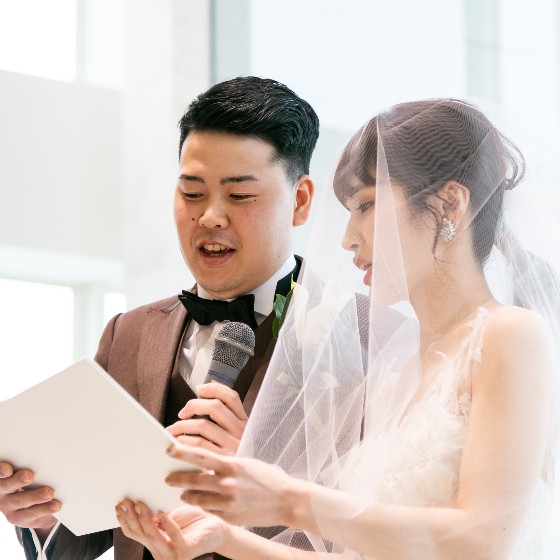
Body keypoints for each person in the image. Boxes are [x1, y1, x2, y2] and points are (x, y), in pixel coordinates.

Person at [116, 99, 560, 559]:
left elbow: (482, 540)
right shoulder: (399, 367)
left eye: (366, 205)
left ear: (450, 203)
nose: (348, 238)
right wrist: (223, 539)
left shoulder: (510, 336)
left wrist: (287, 499)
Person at [0, 75, 319, 560]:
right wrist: (44, 515)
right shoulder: (127, 334)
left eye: (239, 196)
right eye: (192, 192)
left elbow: (376, 534)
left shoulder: (360, 336)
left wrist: (259, 481)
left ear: (300, 201)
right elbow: (94, 529)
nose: (210, 217)